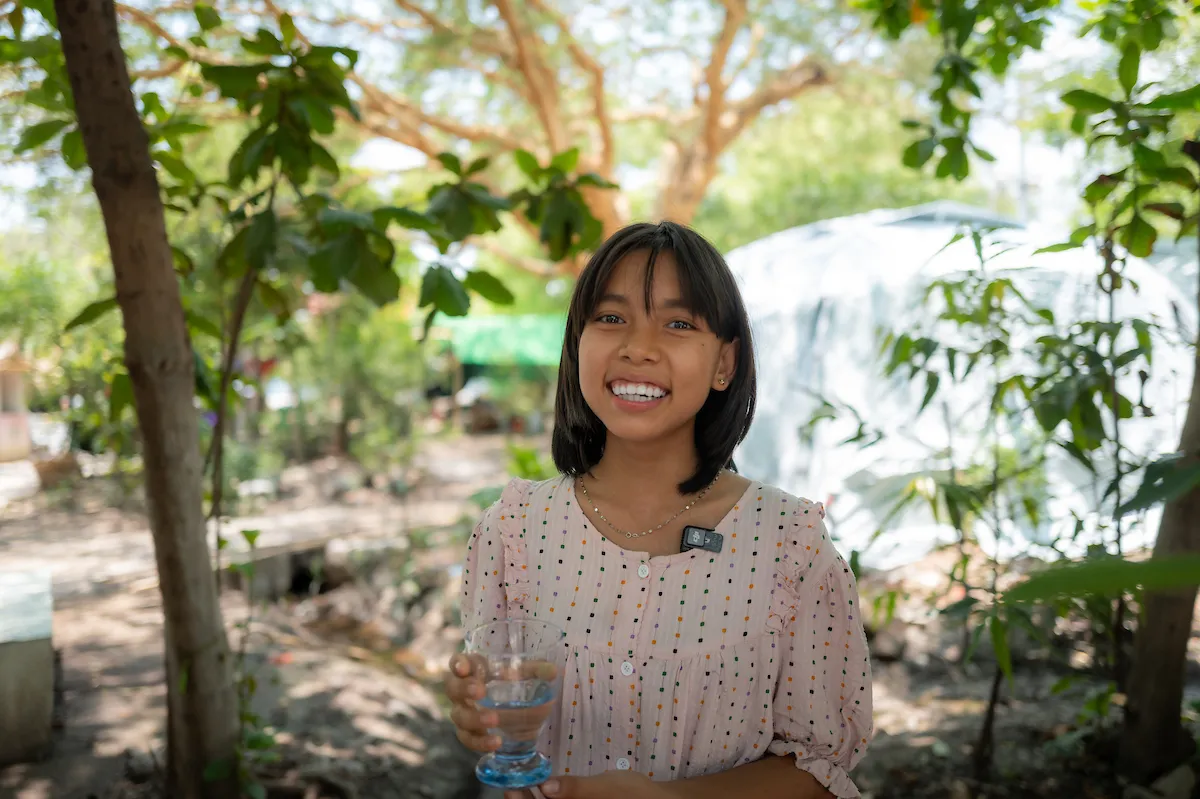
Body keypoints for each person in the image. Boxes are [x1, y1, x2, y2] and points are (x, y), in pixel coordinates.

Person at [446, 221, 872, 799]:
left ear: (725, 363)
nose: (637, 348)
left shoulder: (789, 546)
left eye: (677, 323)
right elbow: (502, 727)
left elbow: (820, 767)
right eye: (611, 318)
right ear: (577, 346)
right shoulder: (515, 532)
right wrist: (478, 720)